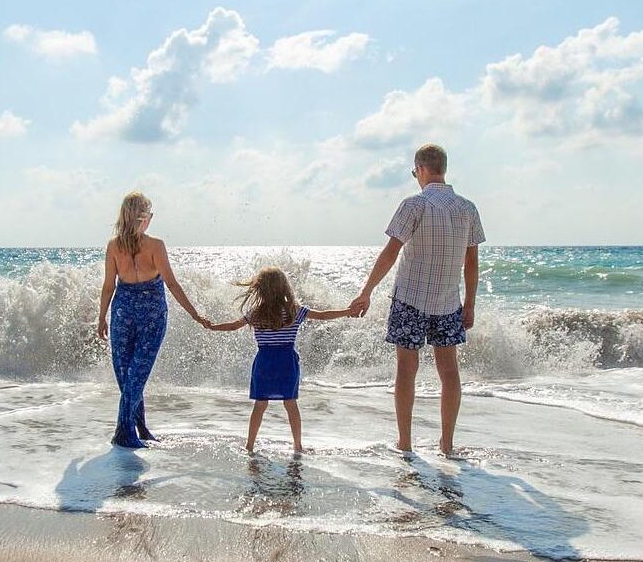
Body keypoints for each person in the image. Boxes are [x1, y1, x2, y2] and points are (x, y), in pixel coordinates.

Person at [349, 144, 484, 455]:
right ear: (443, 169)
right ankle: (446, 444)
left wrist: (366, 291)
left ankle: (406, 443)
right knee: (449, 371)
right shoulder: (467, 208)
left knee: (406, 370)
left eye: (414, 172)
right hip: (449, 302)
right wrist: (471, 303)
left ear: (421, 169)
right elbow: (472, 263)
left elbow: (390, 253)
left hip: (410, 299)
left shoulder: (414, 205)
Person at [97, 192, 208, 448]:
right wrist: (195, 314)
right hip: (150, 315)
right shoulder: (155, 245)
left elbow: (108, 286)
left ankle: (139, 428)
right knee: (133, 376)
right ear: (144, 218)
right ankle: (125, 432)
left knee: (130, 375)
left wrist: (102, 316)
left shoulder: (114, 245)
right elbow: (171, 283)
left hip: (123, 312)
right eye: (150, 214)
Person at [207, 266, 354, 453]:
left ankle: (250, 445)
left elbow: (232, 326)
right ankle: (298, 446)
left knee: (260, 405)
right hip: (286, 363)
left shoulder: (256, 313)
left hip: (264, 363)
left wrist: (212, 326)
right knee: (290, 404)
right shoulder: (294, 311)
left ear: (260, 289)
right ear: (284, 287)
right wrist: (347, 311)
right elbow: (323, 316)